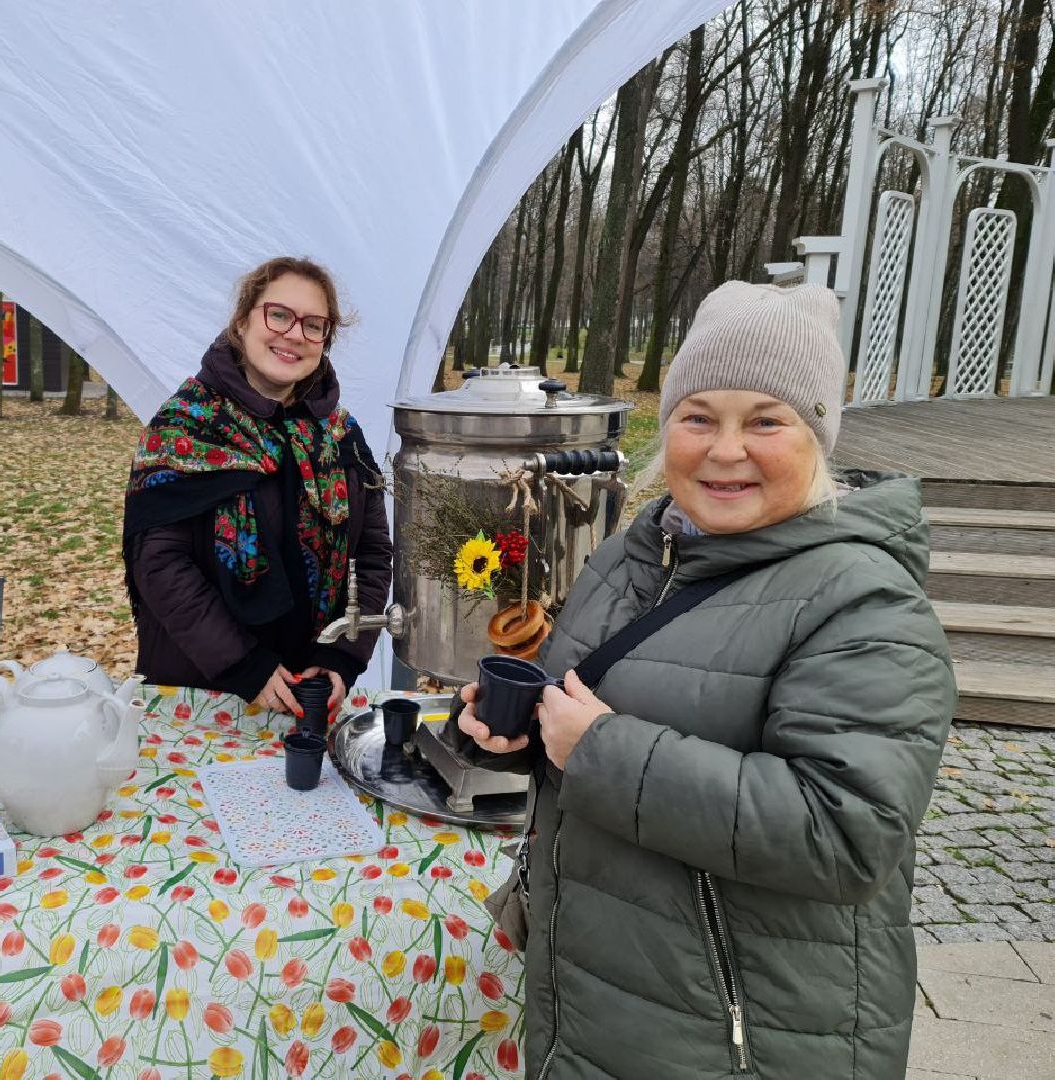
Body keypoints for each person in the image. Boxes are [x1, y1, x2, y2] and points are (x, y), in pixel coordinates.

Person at [455, 281, 956, 1079]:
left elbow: (847, 834)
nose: (726, 451)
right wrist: (521, 735)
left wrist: (601, 751)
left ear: (817, 437)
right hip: (597, 1000)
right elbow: (585, 716)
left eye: (766, 420)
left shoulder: (864, 602)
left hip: (741, 1035)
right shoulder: (635, 554)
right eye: (698, 417)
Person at [123, 257, 392, 718]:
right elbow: (161, 563)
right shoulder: (186, 427)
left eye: (314, 325)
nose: (293, 335)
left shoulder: (342, 435)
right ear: (243, 320)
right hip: (205, 691)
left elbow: (370, 554)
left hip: (310, 693)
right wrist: (245, 665)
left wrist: (340, 658)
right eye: (279, 315)